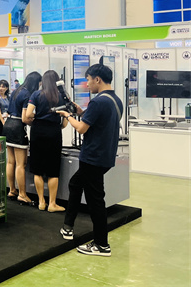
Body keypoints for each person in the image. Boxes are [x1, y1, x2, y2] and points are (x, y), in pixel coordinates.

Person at [57, 64, 122, 257]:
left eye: (88, 80)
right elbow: (97, 121)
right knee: (75, 184)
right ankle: (68, 227)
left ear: (97, 80)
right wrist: (80, 112)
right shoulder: (115, 100)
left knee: (95, 201)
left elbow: (81, 128)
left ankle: (101, 244)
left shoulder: (98, 102)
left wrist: (68, 115)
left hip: (93, 158)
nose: (87, 84)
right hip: (104, 157)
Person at [25, 70, 68, 212]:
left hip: (37, 131)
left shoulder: (36, 95)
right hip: (54, 132)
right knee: (53, 170)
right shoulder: (61, 96)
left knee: (37, 169)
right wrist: (58, 126)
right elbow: (65, 121)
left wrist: (38, 117)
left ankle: (41, 202)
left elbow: (28, 114)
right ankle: (52, 204)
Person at [3, 71, 41, 205]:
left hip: (8, 125)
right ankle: (22, 194)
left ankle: (12, 190)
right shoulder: (28, 95)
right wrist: (36, 122)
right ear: (36, 83)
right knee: (21, 164)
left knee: (10, 161)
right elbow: (25, 118)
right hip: (18, 127)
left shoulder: (16, 91)